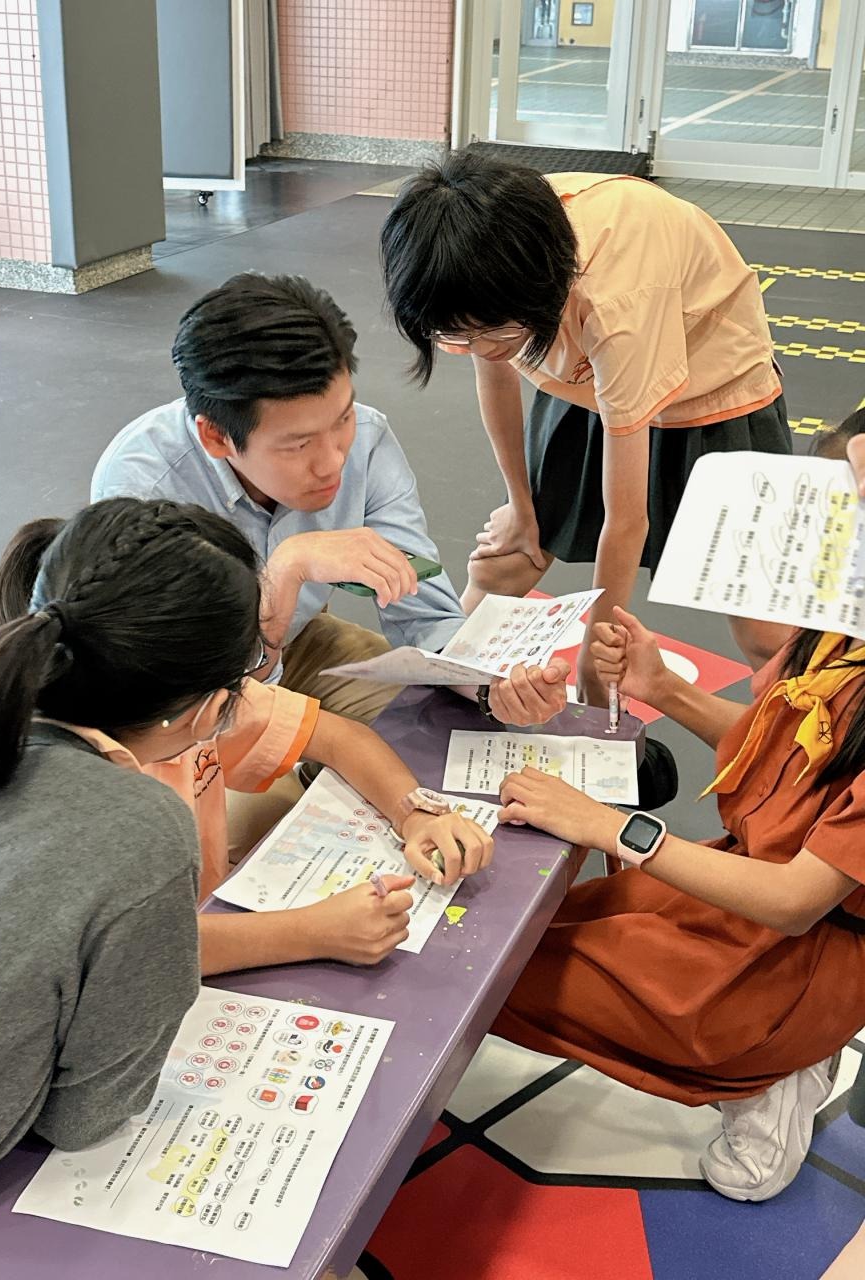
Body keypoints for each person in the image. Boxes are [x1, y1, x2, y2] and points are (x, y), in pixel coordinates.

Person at [0, 497, 494, 1250]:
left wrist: (414, 812)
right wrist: (307, 933)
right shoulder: (137, 824)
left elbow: (332, 736)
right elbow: (84, 1117)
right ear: (205, 705)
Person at [91, 273, 567, 857]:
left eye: (341, 418)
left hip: (302, 639)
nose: (333, 459)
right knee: (230, 847)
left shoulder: (367, 442)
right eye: (298, 445)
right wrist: (284, 572)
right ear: (216, 437)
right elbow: (194, 689)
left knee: (446, 729)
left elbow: (424, 616)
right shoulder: (145, 490)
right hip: (189, 692)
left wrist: (493, 687)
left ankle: (321, 774)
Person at [380, 151, 794, 697]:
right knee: (509, 560)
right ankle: (436, 695)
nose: (477, 348)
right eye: (456, 336)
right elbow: (495, 369)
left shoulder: (615, 302)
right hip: (588, 380)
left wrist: (594, 673)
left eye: (491, 332)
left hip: (717, 392)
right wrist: (521, 507)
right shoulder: (483, 252)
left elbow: (627, 521)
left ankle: (808, 734)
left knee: (765, 631)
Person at [489, 602, 865, 1202]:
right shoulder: (840, 636)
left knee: (497, 977)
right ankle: (780, 1053)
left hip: (801, 949)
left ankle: (768, 1073)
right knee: (533, 933)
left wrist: (608, 825)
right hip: (744, 884)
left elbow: (796, 901)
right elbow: (786, 750)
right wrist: (661, 686)